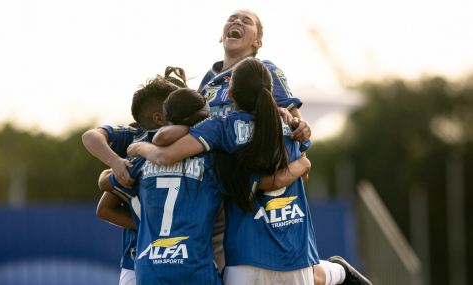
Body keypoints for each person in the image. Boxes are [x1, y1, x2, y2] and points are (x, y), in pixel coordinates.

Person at [128, 58, 371, 285]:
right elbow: (293, 170)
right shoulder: (290, 124)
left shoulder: (222, 128)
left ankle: (336, 271)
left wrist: (139, 146)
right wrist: (302, 163)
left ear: (230, 93)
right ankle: (336, 271)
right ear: (270, 91)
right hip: (296, 253)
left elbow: (164, 152)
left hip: (246, 255)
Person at [98, 87, 311, 285]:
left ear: (166, 118)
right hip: (195, 269)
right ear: (204, 120)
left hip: (148, 270)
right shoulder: (215, 162)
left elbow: (104, 183)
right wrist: (303, 162)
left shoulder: (143, 158)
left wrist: (122, 163)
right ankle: (334, 272)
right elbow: (269, 183)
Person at [197, 9, 312, 272]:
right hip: (211, 182)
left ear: (257, 42)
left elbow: (295, 123)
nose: (237, 21)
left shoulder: (264, 69)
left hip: (247, 182)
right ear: (221, 35)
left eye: (246, 21)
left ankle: (333, 272)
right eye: (232, 19)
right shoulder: (208, 78)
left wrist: (301, 128)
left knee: (253, 263)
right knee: (210, 264)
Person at [82, 68, 188, 285]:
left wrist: (108, 174)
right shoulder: (136, 138)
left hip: (174, 254)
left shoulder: (187, 140)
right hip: (148, 254)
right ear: (159, 116)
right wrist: (115, 162)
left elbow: (104, 196)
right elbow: (90, 136)